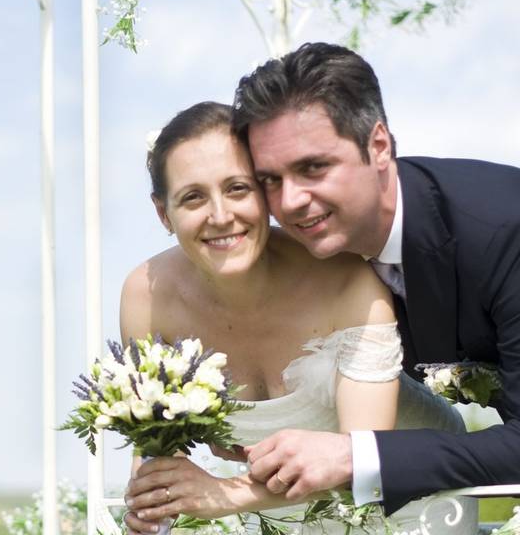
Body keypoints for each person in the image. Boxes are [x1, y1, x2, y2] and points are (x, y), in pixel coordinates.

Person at [119, 101, 475, 535]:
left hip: (411, 502)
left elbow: (361, 458)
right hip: (271, 517)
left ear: (267, 193)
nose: (219, 216)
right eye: (193, 197)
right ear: (164, 214)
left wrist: (226, 493)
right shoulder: (147, 297)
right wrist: (153, 503)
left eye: (237, 188)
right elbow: (154, 441)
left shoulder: (346, 280)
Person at [224, 41, 520, 514]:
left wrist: (354, 455)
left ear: (378, 145)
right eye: (271, 181)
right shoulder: (316, 261)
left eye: (313, 167)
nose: (291, 201)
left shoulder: (505, 231)